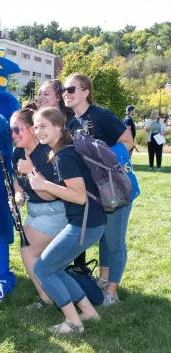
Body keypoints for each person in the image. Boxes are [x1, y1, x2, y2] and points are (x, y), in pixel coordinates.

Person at [30, 107, 105, 334]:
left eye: (43, 126)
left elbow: (79, 196)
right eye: (35, 126)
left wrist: (44, 185)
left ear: (58, 127)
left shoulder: (64, 155)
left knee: (43, 269)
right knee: (58, 268)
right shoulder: (65, 150)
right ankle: (90, 313)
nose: (38, 130)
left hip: (84, 224)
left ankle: (73, 323)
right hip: (90, 222)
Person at [62, 73, 134, 306]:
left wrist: (102, 158)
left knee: (114, 241)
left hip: (115, 190)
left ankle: (112, 292)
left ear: (86, 92)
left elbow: (128, 141)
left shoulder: (102, 115)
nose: (66, 93)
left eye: (71, 89)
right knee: (104, 237)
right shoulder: (71, 124)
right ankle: (103, 279)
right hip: (94, 193)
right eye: (64, 89)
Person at [10, 107, 67, 308]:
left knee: (27, 251)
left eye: (17, 129)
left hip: (55, 211)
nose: (13, 135)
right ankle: (56, 294)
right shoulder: (17, 152)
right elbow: (16, 181)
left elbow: (50, 194)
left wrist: (31, 171)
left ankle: (47, 299)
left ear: (32, 129)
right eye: (11, 131)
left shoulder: (46, 154)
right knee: (38, 256)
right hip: (34, 210)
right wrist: (18, 195)